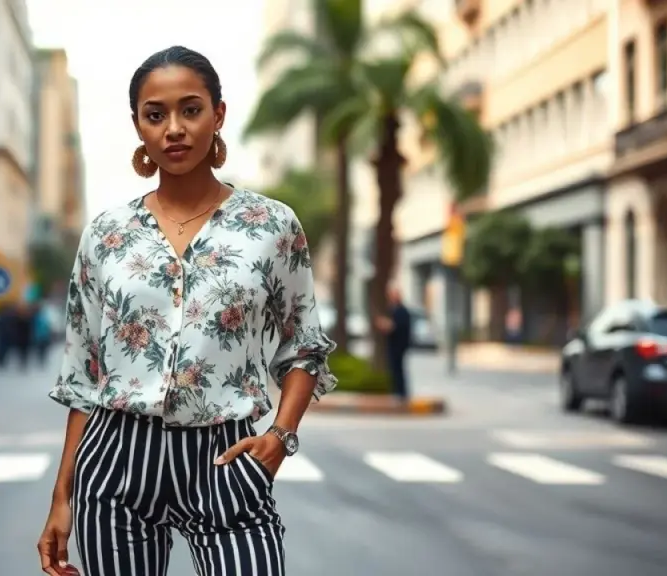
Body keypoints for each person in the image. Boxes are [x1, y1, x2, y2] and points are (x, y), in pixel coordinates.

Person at [36, 46, 337, 576]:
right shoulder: (107, 235)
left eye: (190, 109)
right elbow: (83, 374)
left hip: (226, 458)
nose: (173, 128)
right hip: (117, 462)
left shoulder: (271, 225)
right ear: (138, 126)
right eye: (155, 115)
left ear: (218, 115)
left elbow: (304, 346)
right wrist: (62, 497)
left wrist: (281, 437)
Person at [375, 284, 412, 400]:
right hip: (394, 344)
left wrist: (384, 324)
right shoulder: (393, 309)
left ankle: (401, 393)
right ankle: (398, 391)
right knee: (394, 369)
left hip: (399, 345)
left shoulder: (401, 311)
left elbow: (394, 326)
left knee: (398, 369)